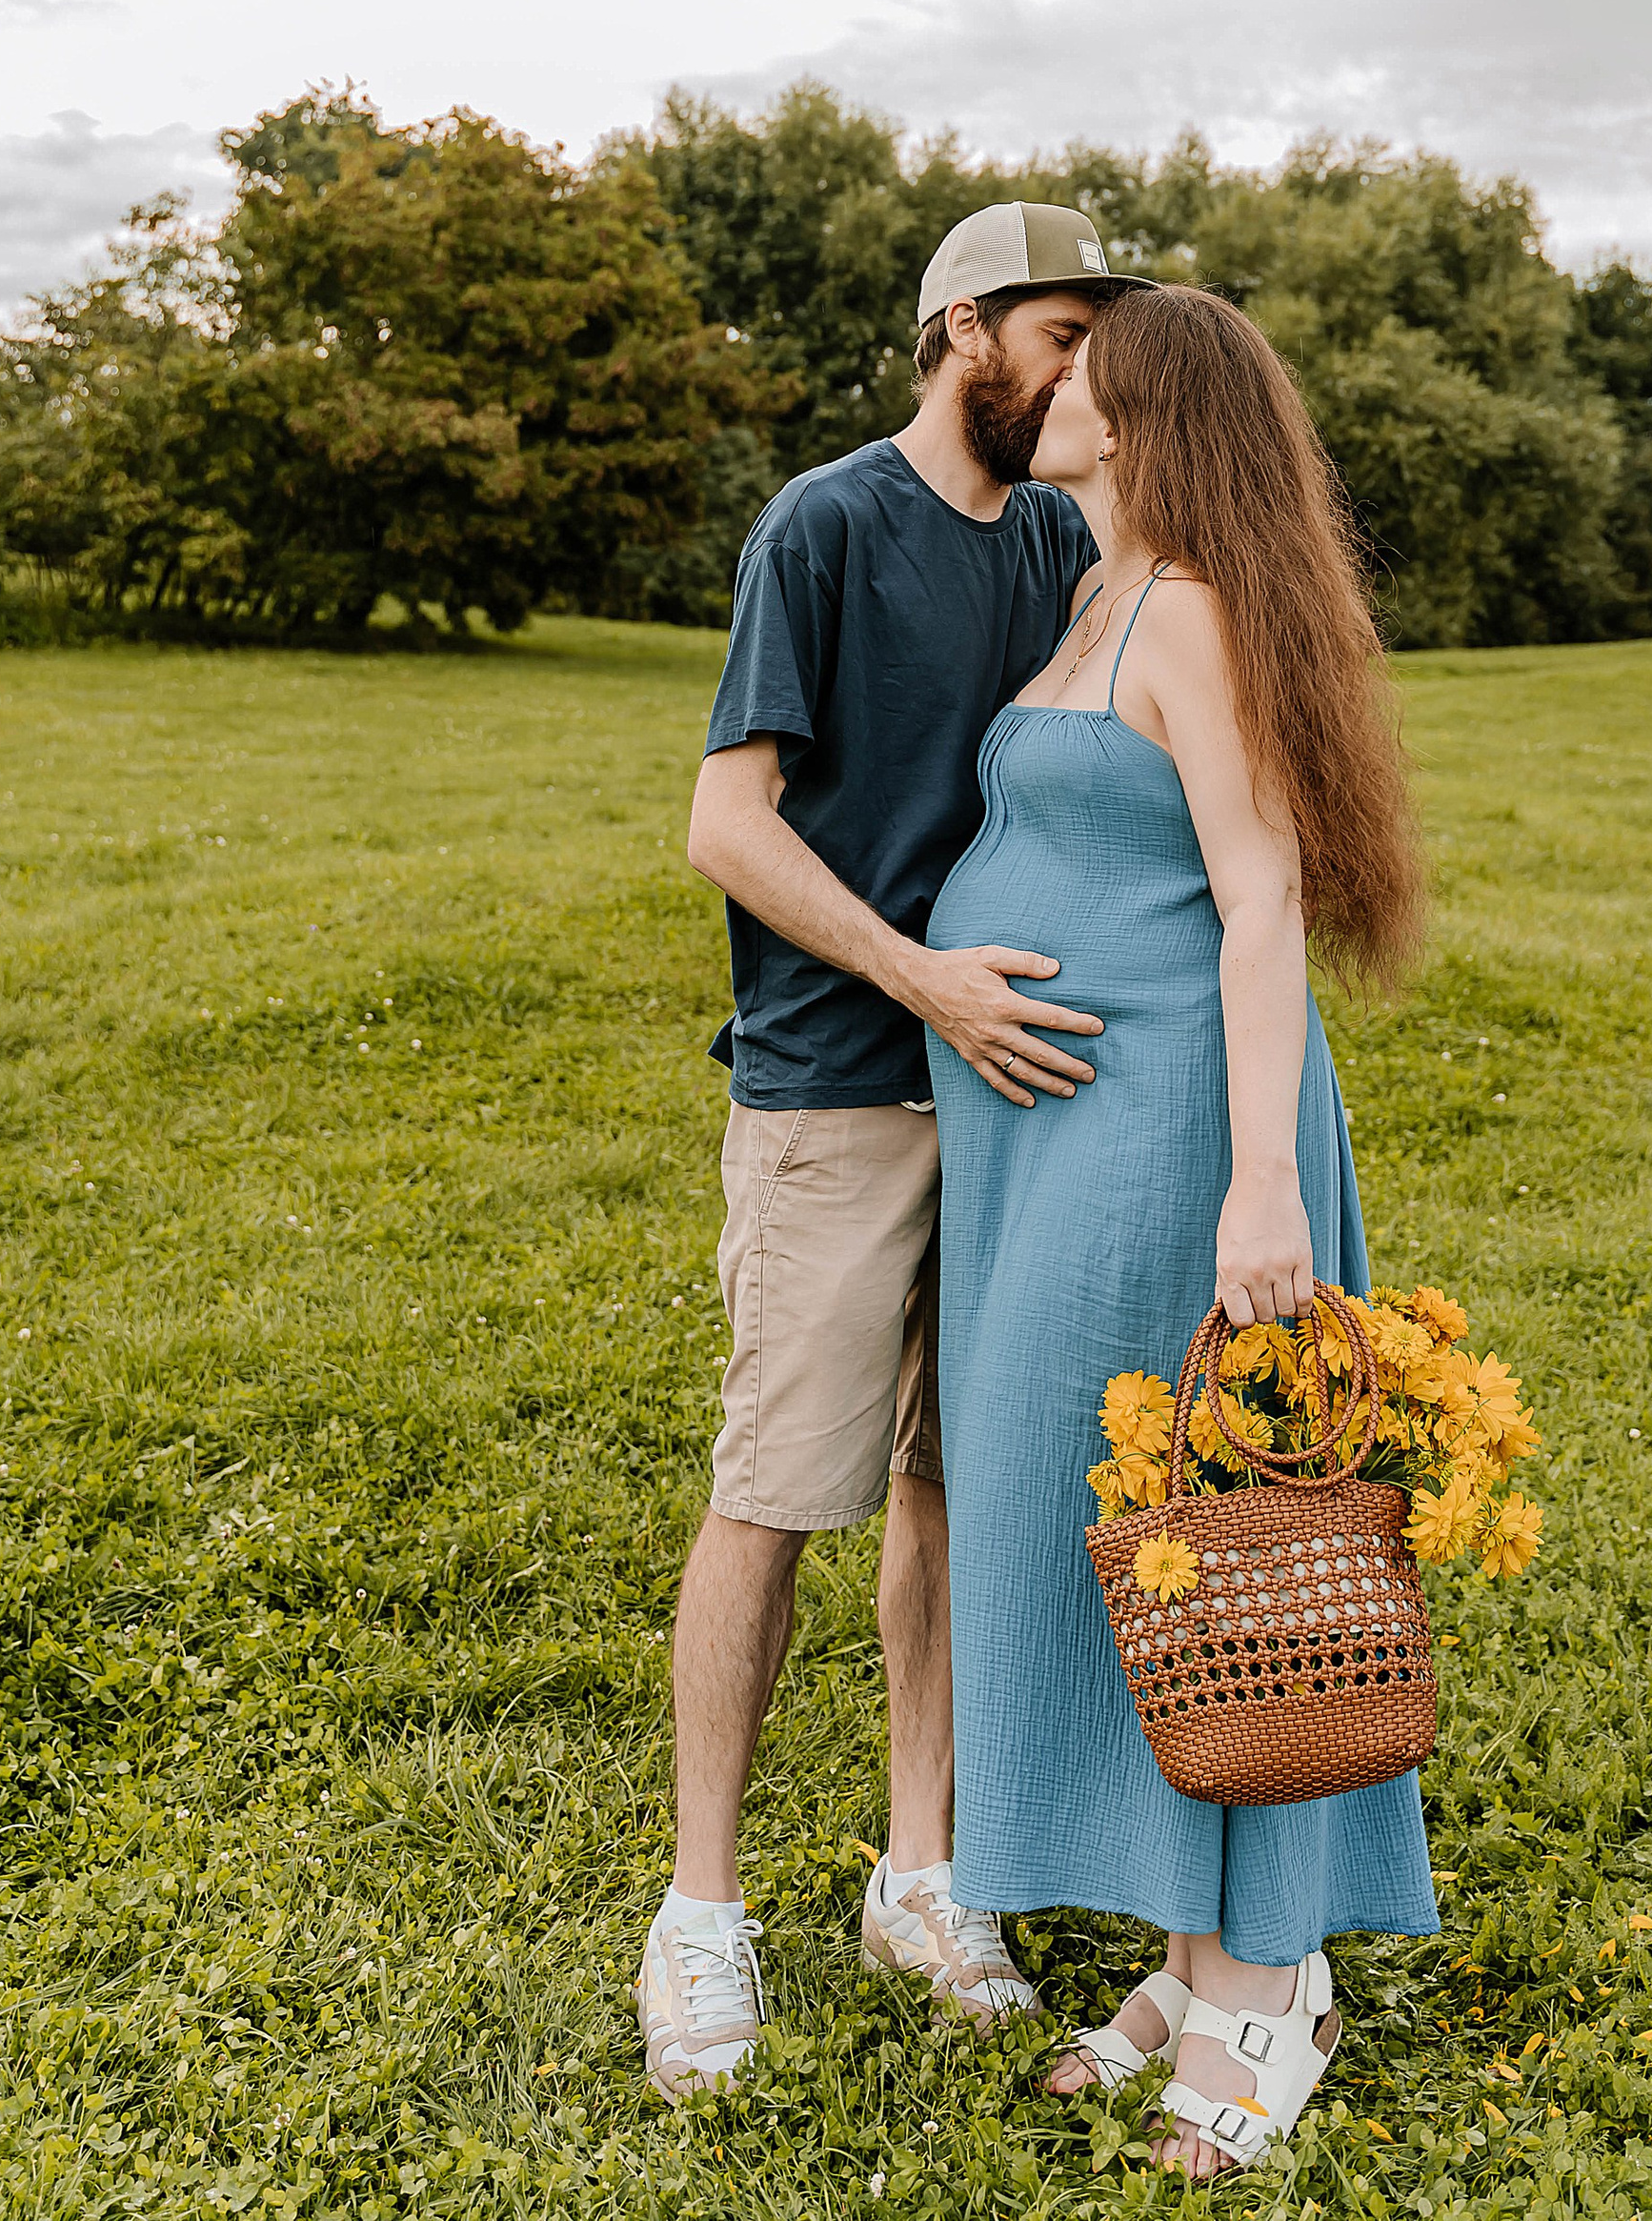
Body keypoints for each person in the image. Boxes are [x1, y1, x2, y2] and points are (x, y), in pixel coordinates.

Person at [924, 281, 1434, 2181]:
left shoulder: (1194, 614)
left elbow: (1256, 891)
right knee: (1115, 1536)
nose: (1047, 389)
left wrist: (1255, 1185)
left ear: (1140, 417)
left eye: (1081, 372)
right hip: (1044, 1146)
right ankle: (1180, 1949)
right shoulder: (1090, 593)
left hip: (1162, 1136)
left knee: (1211, 1539)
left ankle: (1265, 1975)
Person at [635, 202, 1134, 2102]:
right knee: (779, 1489)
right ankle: (698, 1915)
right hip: (839, 1082)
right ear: (958, 330)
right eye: (1060, 333)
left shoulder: (1076, 549)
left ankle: (920, 1876)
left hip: (1015, 1099)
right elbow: (727, 829)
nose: (1083, 372)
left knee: (947, 1490)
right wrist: (922, 975)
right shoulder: (826, 525)